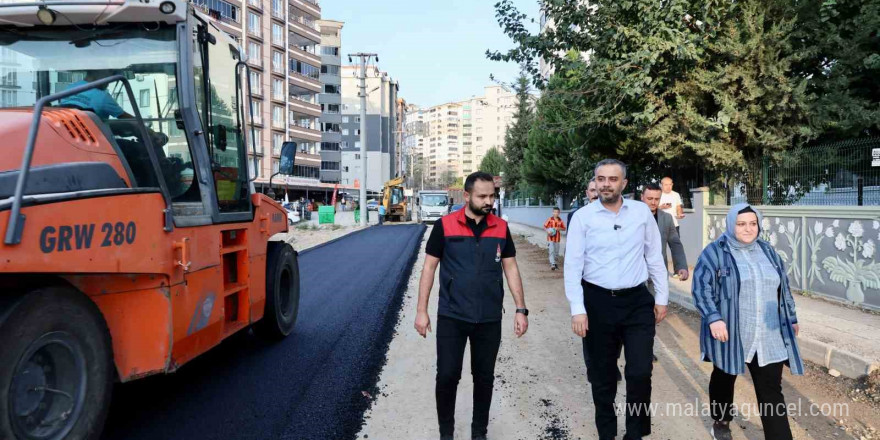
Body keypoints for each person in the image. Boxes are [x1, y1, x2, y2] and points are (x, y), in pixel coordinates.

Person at [414, 171, 529, 440]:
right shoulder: (444, 226)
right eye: (482, 196)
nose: (489, 201)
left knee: (484, 378)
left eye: (492, 195)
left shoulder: (500, 227)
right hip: (452, 316)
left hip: (488, 318)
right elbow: (429, 268)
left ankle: (479, 433)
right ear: (466, 196)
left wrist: (520, 308)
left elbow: (510, 268)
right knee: (447, 376)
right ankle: (447, 433)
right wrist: (422, 311)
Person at [564, 159, 668, 440]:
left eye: (612, 179)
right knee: (602, 377)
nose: (605, 184)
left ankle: (634, 434)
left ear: (623, 183)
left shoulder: (641, 213)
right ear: (595, 182)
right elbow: (572, 266)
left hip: (637, 303)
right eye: (600, 178)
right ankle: (607, 434)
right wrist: (578, 309)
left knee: (640, 372)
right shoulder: (583, 218)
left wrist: (662, 297)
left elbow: (654, 255)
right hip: (597, 304)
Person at [692, 203, 803, 440]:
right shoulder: (715, 252)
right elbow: (701, 288)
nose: (748, 229)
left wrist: (791, 317)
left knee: (771, 391)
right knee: (724, 377)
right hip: (731, 331)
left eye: (753, 224)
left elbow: (783, 288)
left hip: (768, 334)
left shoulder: (769, 251)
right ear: (731, 224)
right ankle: (721, 421)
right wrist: (714, 319)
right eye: (741, 224)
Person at [641, 183, 688, 280]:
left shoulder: (667, 218)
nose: (653, 202)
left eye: (657, 199)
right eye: (649, 199)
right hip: (634, 275)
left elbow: (675, 245)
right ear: (642, 197)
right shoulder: (630, 217)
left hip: (658, 274)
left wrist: (681, 266)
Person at [60, 70, 134, 120]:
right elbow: (128, 119)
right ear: (99, 71)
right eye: (110, 74)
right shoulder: (103, 97)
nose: (110, 81)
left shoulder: (69, 88)